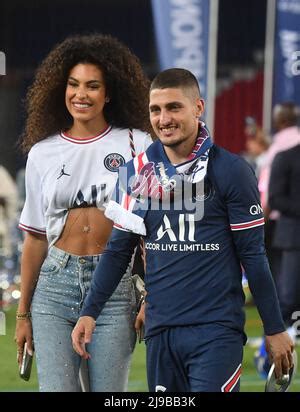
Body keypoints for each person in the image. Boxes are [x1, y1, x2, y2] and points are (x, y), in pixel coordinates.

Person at [72, 68, 294, 392]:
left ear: (198, 108)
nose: (164, 119)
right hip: (160, 333)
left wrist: (274, 328)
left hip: (216, 332)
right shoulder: (136, 172)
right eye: (156, 110)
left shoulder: (231, 171)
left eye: (174, 107)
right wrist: (89, 312)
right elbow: (119, 251)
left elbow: (254, 256)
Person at [14, 33, 152, 392]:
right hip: (55, 285)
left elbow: (153, 231)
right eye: (73, 85)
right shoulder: (42, 153)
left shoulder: (138, 143)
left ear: (109, 93)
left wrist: (151, 296)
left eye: (93, 86)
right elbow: (35, 239)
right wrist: (23, 314)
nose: (81, 94)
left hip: (115, 287)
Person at [269, 144, 300, 342]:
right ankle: (276, 335)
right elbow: (275, 198)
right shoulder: (286, 157)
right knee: (288, 293)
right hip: (293, 236)